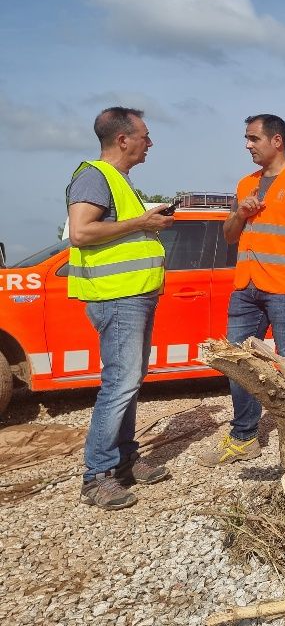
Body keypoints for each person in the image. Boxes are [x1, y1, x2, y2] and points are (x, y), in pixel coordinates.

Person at [198, 114, 285, 466]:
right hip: (246, 286)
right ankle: (244, 437)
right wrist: (240, 213)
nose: (247, 145)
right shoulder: (246, 185)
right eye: (246, 138)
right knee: (237, 362)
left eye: (253, 138)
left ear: (277, 141)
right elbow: (229, 235)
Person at [67, 107, 175, 510]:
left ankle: (126, 460)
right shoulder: (94, 176)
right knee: (120, 382)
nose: (150, 143)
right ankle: (97, 477)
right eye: (145, 136)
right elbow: (80, 232)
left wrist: (147, 224)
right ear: (123, 139)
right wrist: (141, 223)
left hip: (134, 294)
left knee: (129, 380)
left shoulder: (120, 181)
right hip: (117, 297)